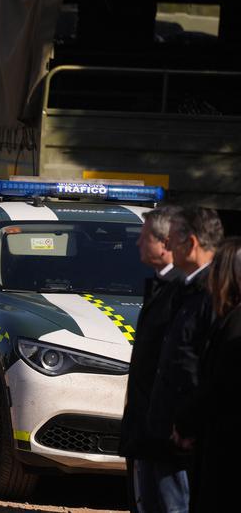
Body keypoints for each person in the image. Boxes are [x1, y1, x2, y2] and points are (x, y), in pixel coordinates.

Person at [146, 207, 222, 510]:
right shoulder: (185, 289)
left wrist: (187, 423)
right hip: (170, 428)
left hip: (188, 435)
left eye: (172, 239)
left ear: (190, 243)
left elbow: (203, 368)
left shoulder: (212, 294)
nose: (167, 245)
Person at [119, 206, 187, 510]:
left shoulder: (181, 290)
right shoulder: (160, 285)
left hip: (165, 426)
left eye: (144, 237)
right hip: (146, 422)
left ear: (166, 243)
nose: (137, 244)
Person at [191, 237, 241, 512]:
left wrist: (188, 423)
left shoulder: (235, 325)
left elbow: (218, 383)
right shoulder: (228, 318)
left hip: (227, 447)